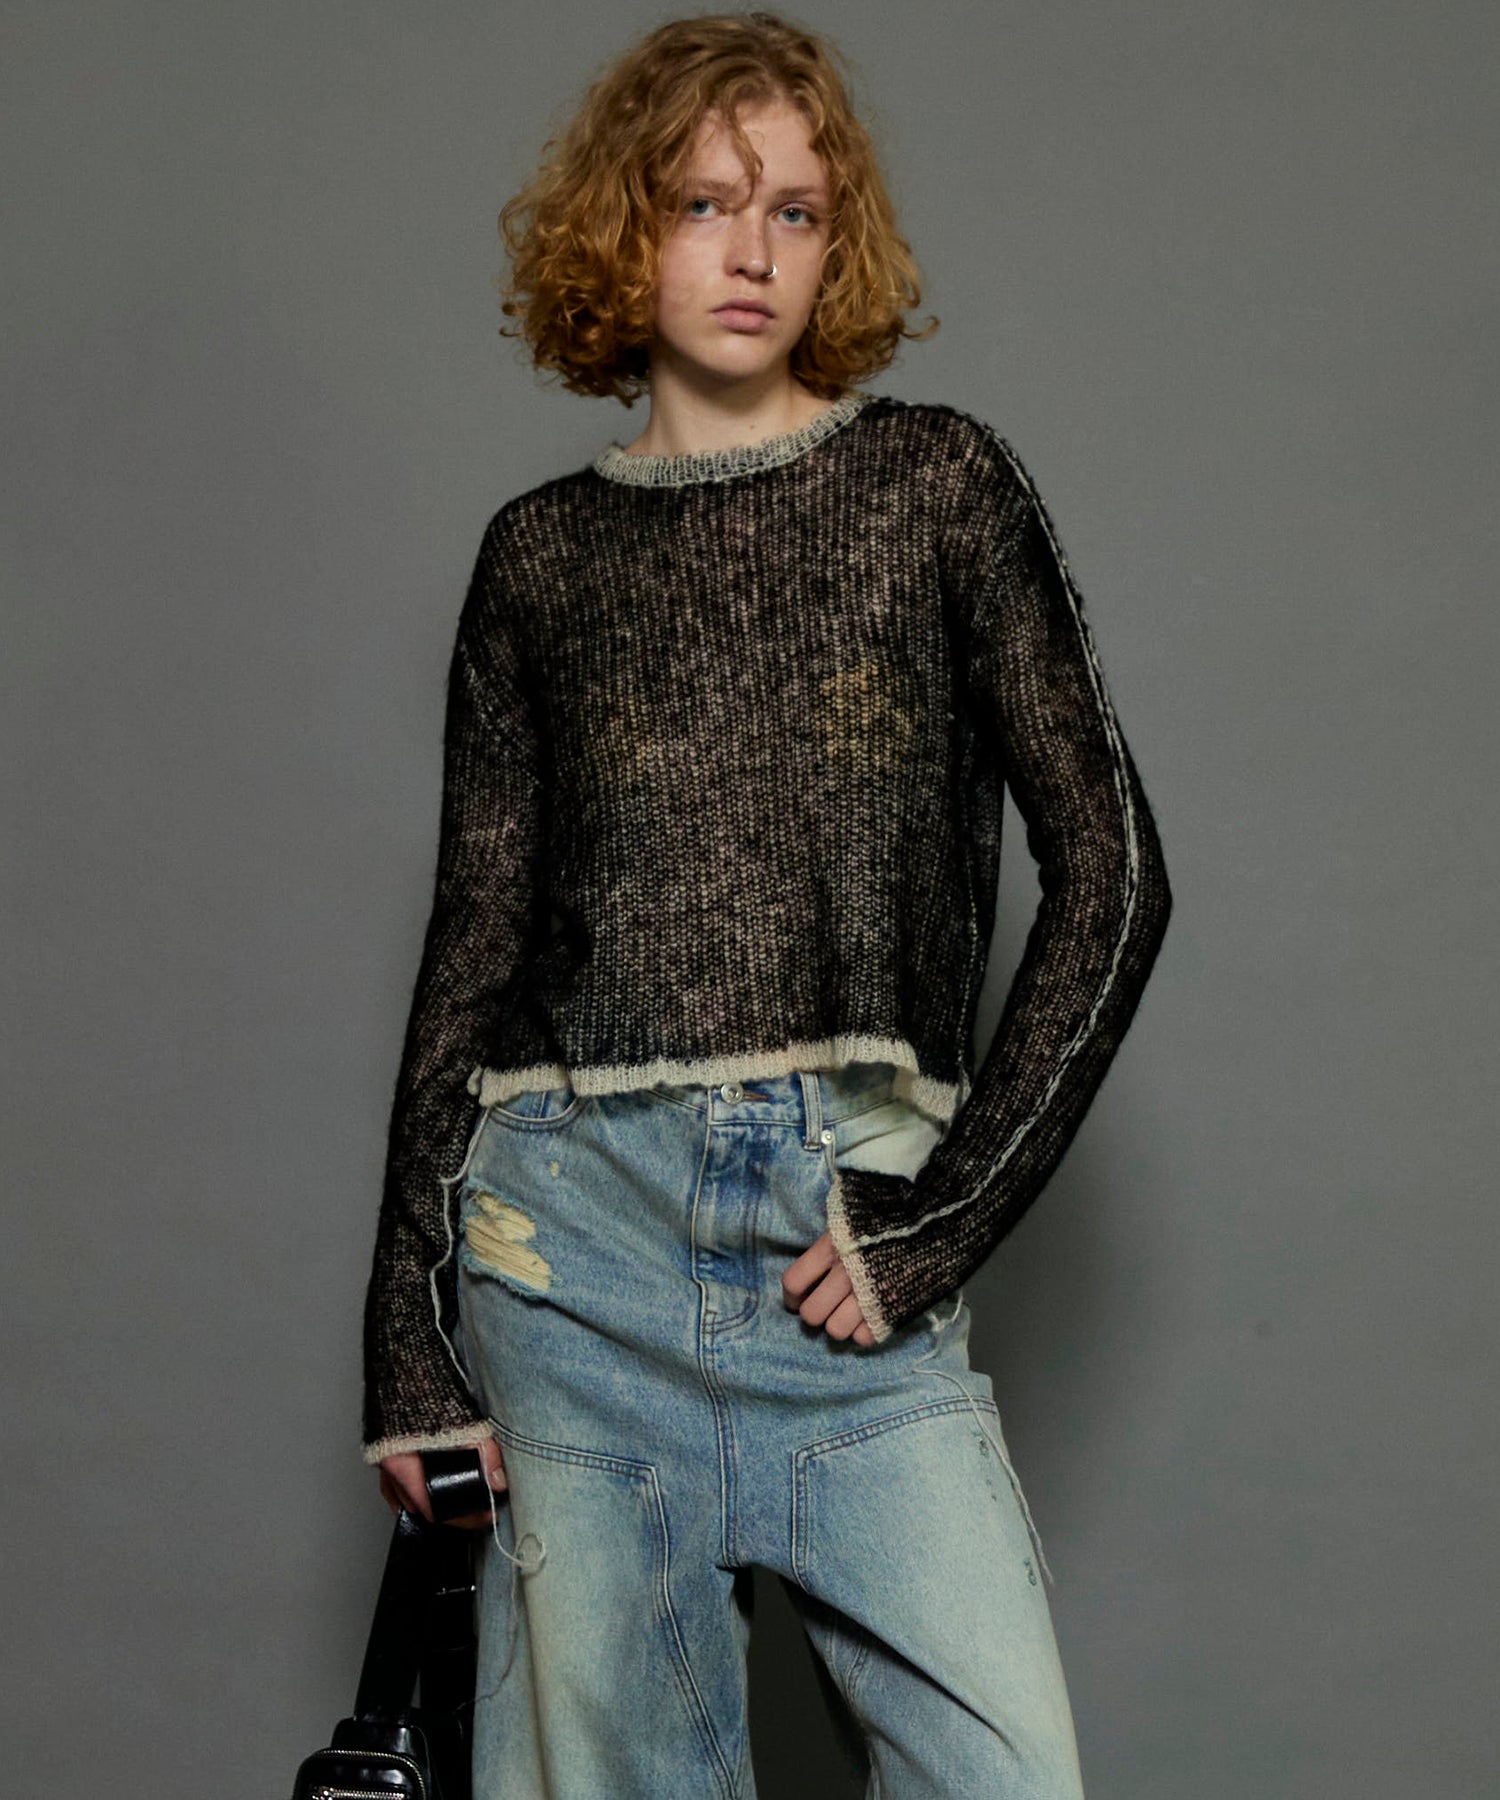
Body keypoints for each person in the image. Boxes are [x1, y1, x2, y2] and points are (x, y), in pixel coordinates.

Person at [360, 11, 1172, 1796]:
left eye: (796, 212)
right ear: (623, 230)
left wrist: (940, 1226)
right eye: (705, 203)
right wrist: (404, 1335)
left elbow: (1115, 876)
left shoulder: (940, 487)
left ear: (837, 244)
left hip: (840, 1236)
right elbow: (474, 952)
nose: (753, 251)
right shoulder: (538, 560)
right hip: (571, 1262)